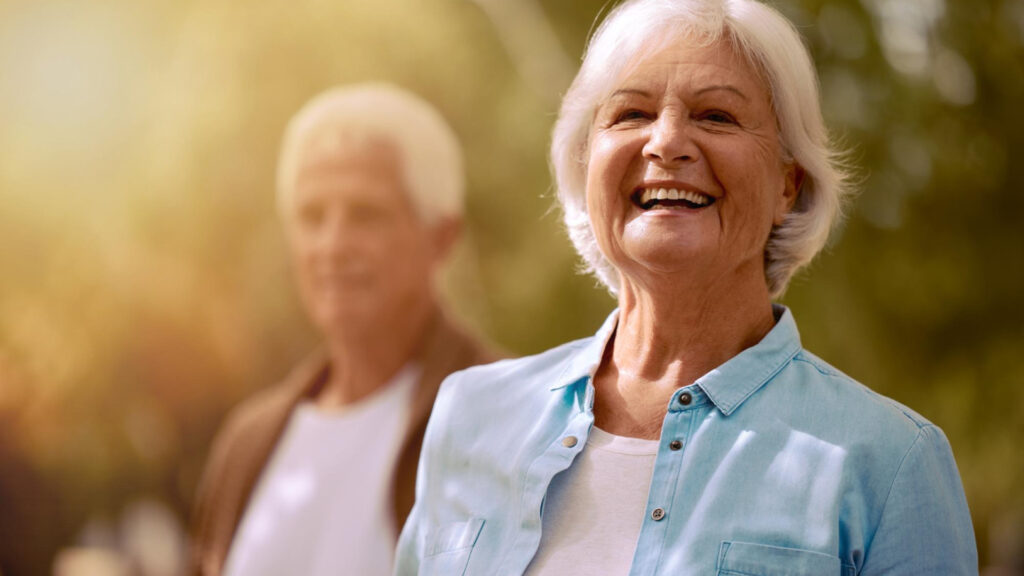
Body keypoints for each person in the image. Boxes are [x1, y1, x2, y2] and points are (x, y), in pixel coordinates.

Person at [394, 1, 978, 574]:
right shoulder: (469, 416)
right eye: (630, 115)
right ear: (585, 164)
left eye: (716, 116)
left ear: (787, 184)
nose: (666, 142)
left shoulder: (892, 463)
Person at [188, 84, 500, 576]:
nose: (332, 245)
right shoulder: (245, 442)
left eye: (365, 214)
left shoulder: (510, 417)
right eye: (312, 216)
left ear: (442, 237)